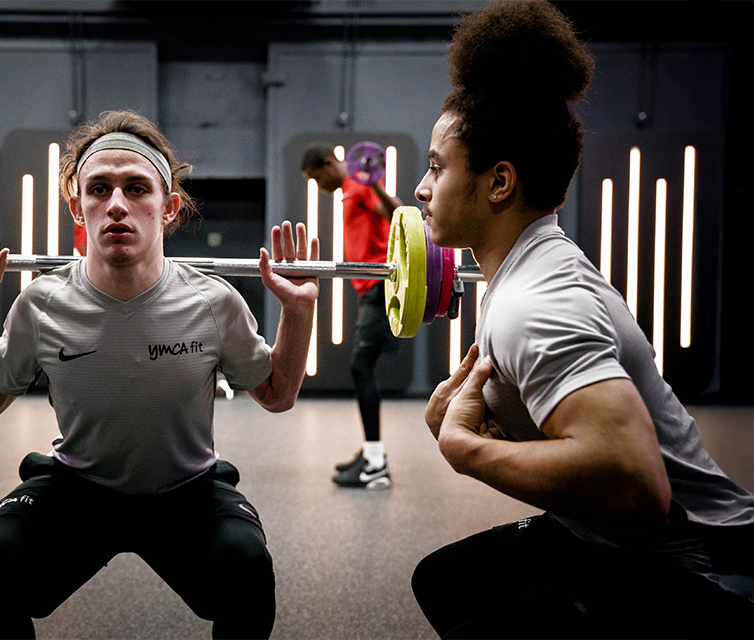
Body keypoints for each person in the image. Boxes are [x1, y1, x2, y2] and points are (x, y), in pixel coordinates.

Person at [410, 2, 753, 638]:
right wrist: (499, 434)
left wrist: (469, 449)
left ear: (500, 182)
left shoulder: (533, 302)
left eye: (436, 166)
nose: (421, 189)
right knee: (449, 582)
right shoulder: (533, 264)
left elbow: (632, 483)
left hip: (707, 571)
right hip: (620, 539)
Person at [0, 110, 320, 639]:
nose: (116, 204)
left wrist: (299, 311)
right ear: (78, 207)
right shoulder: (42, 303)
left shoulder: (212, 302)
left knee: (247, 569)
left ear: (167, 209)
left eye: (136, 188)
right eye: (99, 189)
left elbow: (277, 394)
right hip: (79, 486)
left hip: (186, 491)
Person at [302, 144, 404, 489]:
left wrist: (375, 182)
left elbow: (397, 214)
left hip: (379, 287)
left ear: (330, 163)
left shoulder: (360, 185)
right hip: (369, 289)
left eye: (317, 177)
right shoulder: (348, 190)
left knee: (360, 367)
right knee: (362, 367)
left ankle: (376, 463)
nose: (319, 185)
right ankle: (372, 453)